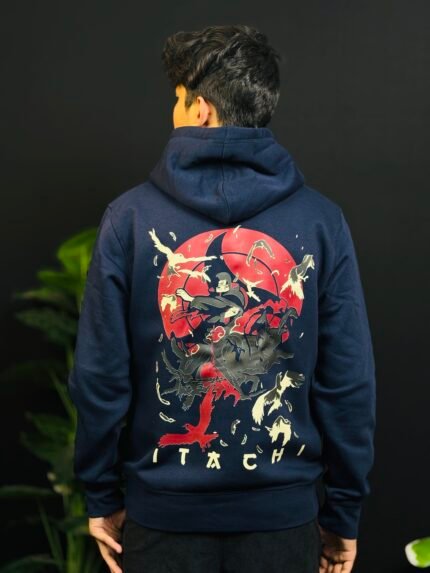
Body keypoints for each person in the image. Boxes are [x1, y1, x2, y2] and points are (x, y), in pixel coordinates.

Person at [67, 24, 376, 573]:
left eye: (177, 101)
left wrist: (101, 495)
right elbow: (348, 381)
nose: (174, 114)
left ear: (201, 109)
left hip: (162, 522)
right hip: (282, 525)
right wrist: (343, 514)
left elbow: (100, 376)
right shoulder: (320, 221)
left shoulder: (129, 219)